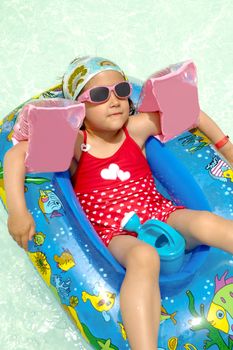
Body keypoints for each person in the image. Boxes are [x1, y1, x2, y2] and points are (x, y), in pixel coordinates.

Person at [3, 56, 233, 350]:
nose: (114, 101)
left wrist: (226, 147)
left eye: (121, 91)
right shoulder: (76, 143)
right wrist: (18, 212)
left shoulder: (135, 130)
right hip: (115, 232)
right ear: (78, 110)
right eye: (99, 96)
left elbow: (192, 114)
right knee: (143, 258)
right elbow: (16, 155)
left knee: (204, 222)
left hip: (158, 210)